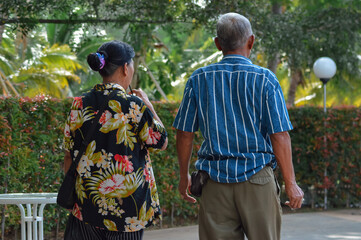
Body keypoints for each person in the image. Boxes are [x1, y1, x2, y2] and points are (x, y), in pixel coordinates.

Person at [173, 13, 304, 240]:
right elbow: (279, 135)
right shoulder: (266, 80)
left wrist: (184, 176)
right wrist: (291, 184)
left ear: (217, 43)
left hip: (214, 182)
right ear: (251, 41)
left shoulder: (198, 79)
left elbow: (184, 133)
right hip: (257, 181)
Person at [62, 40, 168, 240]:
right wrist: (148, 105)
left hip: (86, 208)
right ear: (125, 68)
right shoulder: (134, 106)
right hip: (128, 213)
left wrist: (78, 196)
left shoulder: (79, 104)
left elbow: (69, 155)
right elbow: (161, 141)